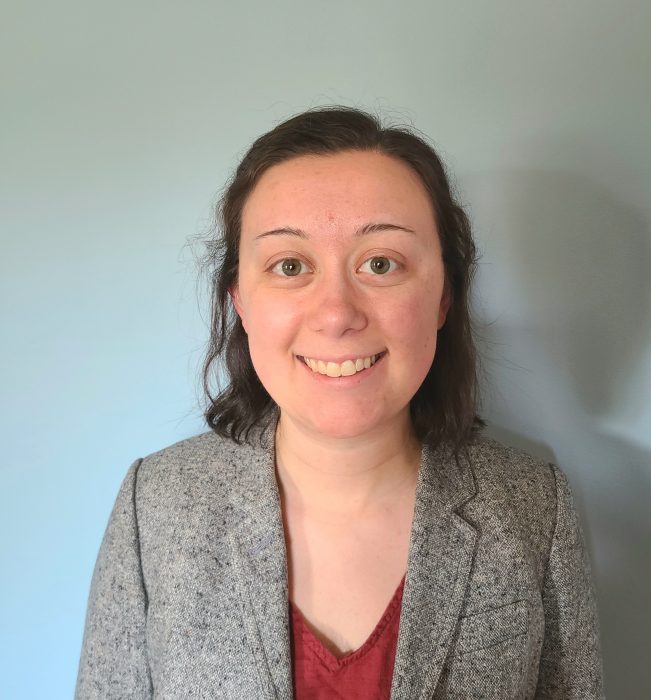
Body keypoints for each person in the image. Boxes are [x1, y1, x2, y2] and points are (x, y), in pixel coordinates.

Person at [75, 107, 604, 699]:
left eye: (381, 263)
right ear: (241, 300)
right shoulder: (154, 505)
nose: (336, 314)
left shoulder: (536, 509)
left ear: (443, 297)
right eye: (290, 266)